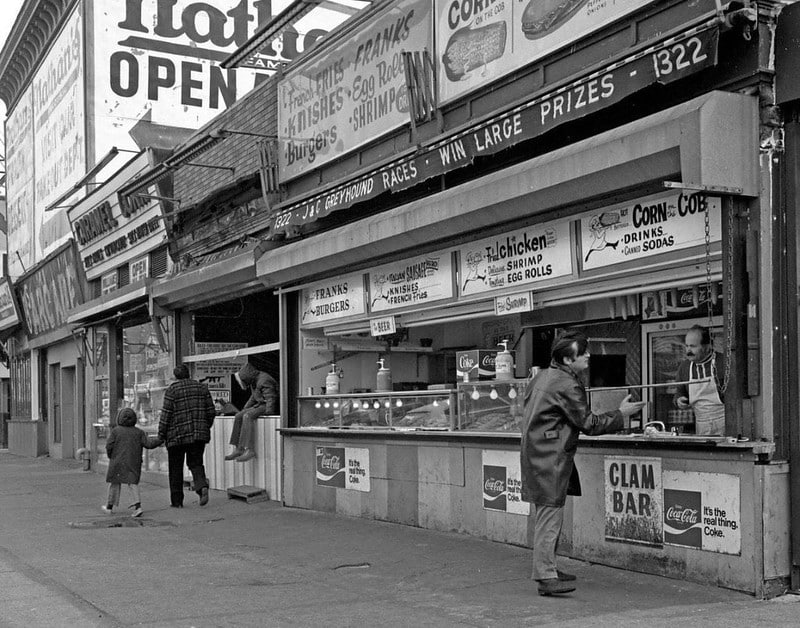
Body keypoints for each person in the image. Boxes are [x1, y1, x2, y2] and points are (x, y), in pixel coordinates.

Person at [520, 329, 645, 597]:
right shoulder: (567, 384)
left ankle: (548, 569)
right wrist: (621, 415)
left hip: (538, 453)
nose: (588, 356)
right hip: (550, 457)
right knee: (550, 517)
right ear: (567, 360)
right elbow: (589, 423)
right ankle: (545, 574)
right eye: (583, 353)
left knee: (547, 515)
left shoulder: (542, 377)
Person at [157, 364, 216, 508]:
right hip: (198, 435)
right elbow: (211, 411)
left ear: (175, 376)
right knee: (196, 462)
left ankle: (177, 502)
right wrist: (204, 426)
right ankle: (201, 486)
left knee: (175, 467)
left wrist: (161, 434)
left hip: (176, 435)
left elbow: (166, 415)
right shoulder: (202, 388)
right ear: (188, 374)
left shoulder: (172, 390)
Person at [102, 407, 162, 517]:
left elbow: (109, 446)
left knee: (115, 483)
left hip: (117, 461)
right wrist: (160, 440)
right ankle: (137, 506)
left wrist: (111, 456)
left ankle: (109, 506)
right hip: (133, 461)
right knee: (132, 483)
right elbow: (149, 444)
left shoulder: (116, 431)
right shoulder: (139, 432)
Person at [674, 325, 725, 435]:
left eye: (693, 346)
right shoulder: (684, 367)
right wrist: (679, 400)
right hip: (700, 423)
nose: (688, 350)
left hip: (725, 422)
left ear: (706, 347)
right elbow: (679, 392)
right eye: (686, 346)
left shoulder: (723, 362)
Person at [224, 362, 278, 462]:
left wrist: (269, 412)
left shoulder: (264, 380)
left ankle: (250, 449)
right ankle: (238, 448)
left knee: (247, 416)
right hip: (260, 404)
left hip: (265, 405)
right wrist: (244, 409)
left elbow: (271, 397)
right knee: (239, 416)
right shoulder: (256, 380)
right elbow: (253, 397)